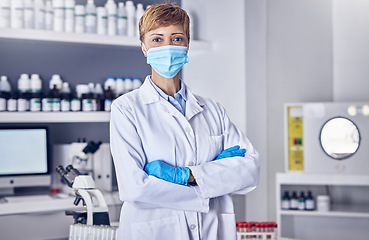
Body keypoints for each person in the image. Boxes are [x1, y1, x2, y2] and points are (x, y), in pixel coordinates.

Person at [110, 4, 259, 240]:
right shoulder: (126, 109)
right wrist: (212, 182)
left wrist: (188, 176)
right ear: (143, 47)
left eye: (176, 38)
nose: (167, 46)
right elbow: (135, 188)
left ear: (187, 45)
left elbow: (250, 171)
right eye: (157, 39)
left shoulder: (213, 110)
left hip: (212, 230)